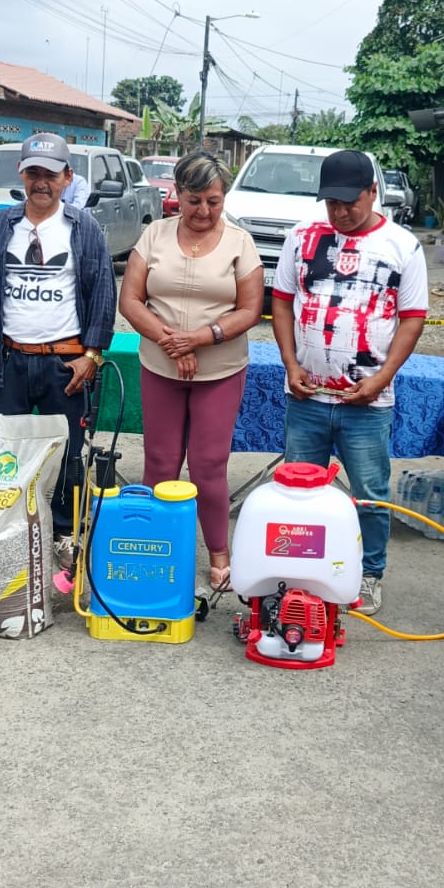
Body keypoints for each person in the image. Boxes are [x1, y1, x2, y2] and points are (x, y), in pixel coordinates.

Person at [271, 149, 428, 617]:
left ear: (373, 192)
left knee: (370, 495)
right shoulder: (301, 238)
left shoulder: (402, 245)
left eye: (349, 202)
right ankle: (301, 573)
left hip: (367, 402)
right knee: (299, 493)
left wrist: (382, 378)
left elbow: (413, 319)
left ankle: (369, 574)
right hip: (307, 397)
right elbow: (281, 301)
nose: (339, 212)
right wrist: (290, 364)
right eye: (331, 203)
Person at [0, 131, 116, 565]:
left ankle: (64, 534)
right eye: (33, 173)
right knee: (4, 455)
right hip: (9, 360)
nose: (41, 183)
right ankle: (7, 533)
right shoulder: (0, 225)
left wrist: (91, 356)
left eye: (50, 174)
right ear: (21, 174)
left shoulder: (83, 228)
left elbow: (103, 294)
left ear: (67, 177)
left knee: (67, 456)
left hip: (64, 364)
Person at [118, 150, 263, 591]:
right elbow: (130, 300)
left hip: (220, 369)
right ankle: (155, 545)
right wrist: (172, 342)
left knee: (208, 465)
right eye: (194, 200)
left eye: (213, 201)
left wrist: (199, 338)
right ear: (177, 194)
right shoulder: (154, 235)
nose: (203, 211)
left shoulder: (239, 242)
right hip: (160, 365)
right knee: (160, 462)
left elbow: (250, 310)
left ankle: (219, 552)